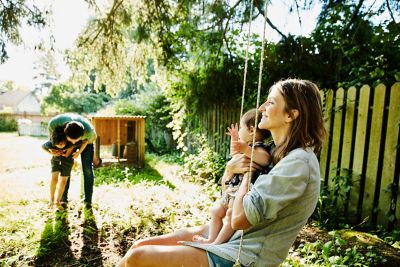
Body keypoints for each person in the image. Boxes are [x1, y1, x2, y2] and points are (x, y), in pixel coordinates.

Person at [116, 78, 326, 267]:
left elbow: (239, 219)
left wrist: (244, 177)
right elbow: (229, 200)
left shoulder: (298, 163)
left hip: (243, 255)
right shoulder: (274, 153)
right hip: (229, 237)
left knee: (139, 258)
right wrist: (228, 173)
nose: (261, 107)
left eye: (270, 102)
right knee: (138, 246)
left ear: (291, 115)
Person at [193, 108, 271, 245]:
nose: (239, 130)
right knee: (216, 211)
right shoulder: (246, 146)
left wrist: (246, 150)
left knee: (230, 215)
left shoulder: (258, 147)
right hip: (232, 190)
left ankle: (216, 244)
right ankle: (211, 239)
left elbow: (265, 160)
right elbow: (234, 155)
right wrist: (235, 139)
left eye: (241, 127)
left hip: (242, 193)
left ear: (251, 131)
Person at [47, 113, 97, 208]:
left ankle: (88, 200)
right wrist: (53, 151)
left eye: (76, 140)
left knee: (87, 168)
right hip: (67, 139)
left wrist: (78, 152)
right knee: (66, 166)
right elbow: (51, 142)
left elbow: (89, 140)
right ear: (65, 134)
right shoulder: (54, 124)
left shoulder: (89, 132)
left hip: (86, 142)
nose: (74, 142)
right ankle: (63, 199)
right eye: (71, 140)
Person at [41, 126, 77, 210]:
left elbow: (78, 143)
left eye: (62, 144)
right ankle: (52, 199)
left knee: (63, 182)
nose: (60, 146)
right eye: (58, 144)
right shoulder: (51, 143)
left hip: (67, 162)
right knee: (54, 179)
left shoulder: (70, 142)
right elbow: (43, 146)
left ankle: (58, 201)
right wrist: (52, 153)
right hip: (56, 160)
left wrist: (68, 153)